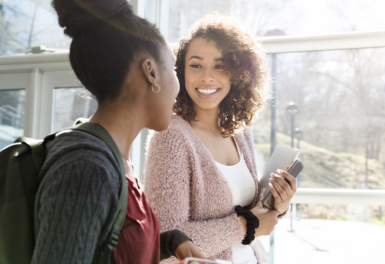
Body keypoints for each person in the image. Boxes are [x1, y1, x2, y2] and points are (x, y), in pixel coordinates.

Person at [32, 0, 205, 263]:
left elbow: (110, 245)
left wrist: (172, 241)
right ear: (150, 72)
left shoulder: (114, 159)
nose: (179, 86)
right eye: (171, 68)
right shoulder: (85, 167)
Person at [144, 14, 297, 264]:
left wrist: (279, 204)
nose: (207, 77)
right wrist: (246, 226)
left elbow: (255, 214)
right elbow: (166, 240)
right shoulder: (171, 136)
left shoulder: (240, 131)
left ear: (238, 74)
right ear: (180, 72)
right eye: (196, 65)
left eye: (220, 65)